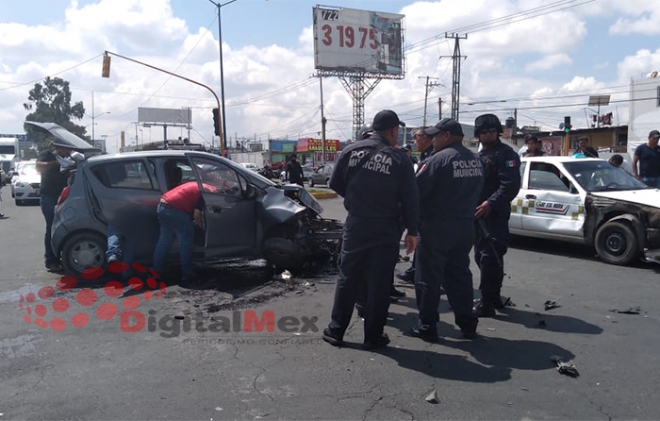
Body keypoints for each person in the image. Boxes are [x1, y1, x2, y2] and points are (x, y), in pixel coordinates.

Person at [323, 109, 419, 350]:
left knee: (348, 277)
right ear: (394, 131)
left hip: (357, 223)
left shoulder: (351, 150)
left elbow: (335, 183)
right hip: (386, 227)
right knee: (379, 281)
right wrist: (413, 231)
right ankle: (373, 336)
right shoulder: (400, 159)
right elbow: (410, 199)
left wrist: (358, 200)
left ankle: (336, 331)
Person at [411, 118, 484, 342]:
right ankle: (467, 324)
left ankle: (427, 326)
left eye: (435, 136)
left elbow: (417, 191)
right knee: (459, 276)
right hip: (464, 226)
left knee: (427, 278)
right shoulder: (476, 160)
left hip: (436, 226)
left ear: (447, 136)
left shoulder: (437, 160)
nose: (432, 140)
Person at [472, 114, 522, 318]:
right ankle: (491, 295)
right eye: (484, 132)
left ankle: (488, 302)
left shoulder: (506, 154)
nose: (488, 134)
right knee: (481, 256)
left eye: (492, 131)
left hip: (494, 214)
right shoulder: (480, 154)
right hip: (478, 214)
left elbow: (510, 185)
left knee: (490, 256)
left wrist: (490, 203)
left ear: (498, 132)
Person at [152, 181, 216, 282]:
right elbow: (197, 215)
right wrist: (204, 228)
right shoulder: (205, 192)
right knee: (185, 243)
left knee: (164, 241)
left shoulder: (200, 185)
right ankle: (187, 274)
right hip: (176, 211)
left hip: (162, 206)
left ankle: (157, 271)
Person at [395, 127, 434, 284]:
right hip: (424, 210)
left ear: (425, 138)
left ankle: (426, 278)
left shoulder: (432, 156)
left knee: (426, 246)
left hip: (429, 211)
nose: (414, 141)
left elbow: (418, 185)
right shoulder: (425, 155)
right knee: (421, 243)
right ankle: (414, 271)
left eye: (416, 138)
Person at [36, 141, 69, 272]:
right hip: (49, 196)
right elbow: (38, 166)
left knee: (63, 227)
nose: (64, 150)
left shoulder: (68, 157)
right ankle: (50, 259)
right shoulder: (47, 155)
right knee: (51, 226)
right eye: (62, 147)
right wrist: (56, 163)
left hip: (64, 197)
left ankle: (60, 256)